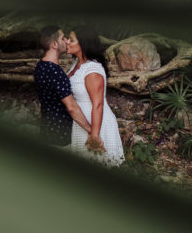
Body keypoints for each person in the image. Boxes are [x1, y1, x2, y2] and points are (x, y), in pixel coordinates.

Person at [66, 26, 125, 167]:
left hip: (96, 122)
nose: (67, 42)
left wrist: (94, 134)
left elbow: (98, 104)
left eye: (71, 40)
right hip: (81, 120)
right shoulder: (77, 63)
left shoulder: (92, 70)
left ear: (83, 44)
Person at [34, 26, 99, 150]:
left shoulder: (40, 66)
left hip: (47, 129)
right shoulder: (55, 72)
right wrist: (91, 131)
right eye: (63, 38)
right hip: (61, 135)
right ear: (54, 44)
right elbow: (72, 108)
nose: (67, 41)